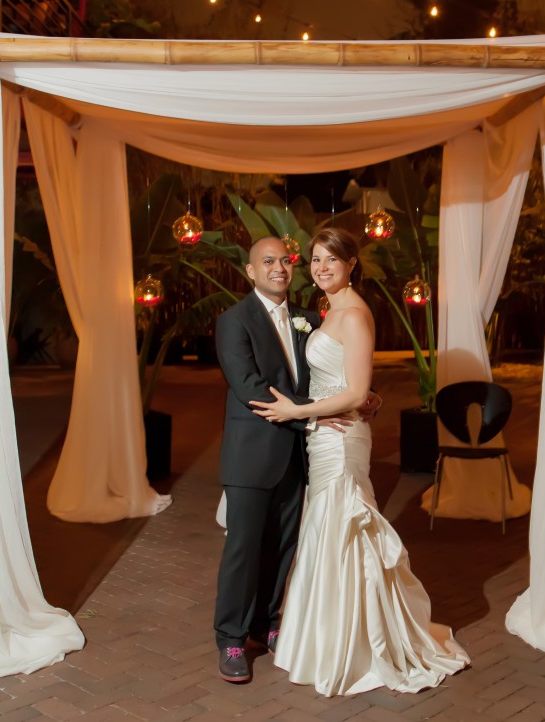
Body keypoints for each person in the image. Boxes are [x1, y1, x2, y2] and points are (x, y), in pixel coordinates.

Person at [251, 228, 470, 696]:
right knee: (329, 531)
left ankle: (356, 645)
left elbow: (351, 392)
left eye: (332, 259)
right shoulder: (330, 313)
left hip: (341, 439)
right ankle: (332, 636)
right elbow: (353, 388)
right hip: (326, 435)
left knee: (346, 528)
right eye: (315, 259)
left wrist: (298, 411)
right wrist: (357, 400)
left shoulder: (354, 315)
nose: (322, 267)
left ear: (352, 264)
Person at [212, 236, 377, 684]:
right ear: (251, 271)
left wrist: (354, 400)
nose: (280, 268)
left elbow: (333, 378)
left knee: (283, 549)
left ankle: (267, 625)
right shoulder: (234, 321)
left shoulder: (308, 319)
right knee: (243, 550)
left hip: (299, 457)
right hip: (252, 455)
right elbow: (250, 389)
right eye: (268, 262)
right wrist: (317, 414)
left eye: (285, 261)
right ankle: (230, 638)